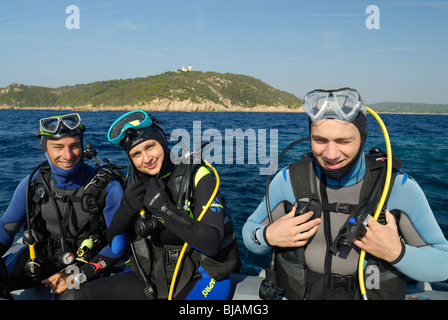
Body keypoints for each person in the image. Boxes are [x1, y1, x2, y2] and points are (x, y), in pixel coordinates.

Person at [243, 87, 448, 300]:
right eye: (320, 140)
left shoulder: (397, 186)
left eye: (344, 141)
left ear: (362, 138)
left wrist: (397, 253)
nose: (331, 154)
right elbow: (249, 234)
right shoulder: (289, 180)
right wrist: (268, 236)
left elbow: (443, 263)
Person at [68, 110, 240, 300]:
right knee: (75, 296)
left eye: (150, 146)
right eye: (136, 154)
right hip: (153, 275)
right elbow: (116, 246)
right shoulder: (134, 186)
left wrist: (164, 209)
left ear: (163, 141)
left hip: (203, 276)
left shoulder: (197, 176)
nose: (146, 158)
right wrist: (125, 210)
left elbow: (212, 243)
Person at [0, 113, 126, 298]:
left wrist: (79, 275)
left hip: (89, 263)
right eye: (58, 147)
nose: (67, 155)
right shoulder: (34, 183)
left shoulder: (107, 186)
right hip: (43, 258)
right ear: (45, 149)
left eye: (74, 146)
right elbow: (6, 228)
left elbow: (118, 244)